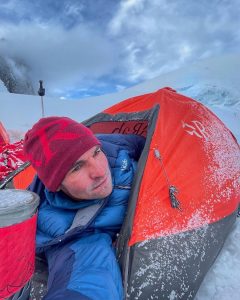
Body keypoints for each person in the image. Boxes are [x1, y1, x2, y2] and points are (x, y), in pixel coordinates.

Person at [23, 116, 145, 300]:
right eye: (77, 167)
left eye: (96, 152)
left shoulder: (111, 147)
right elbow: (89, 275)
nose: (99, 171)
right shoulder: (67, 234)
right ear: (57, 185)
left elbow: (148, 142)